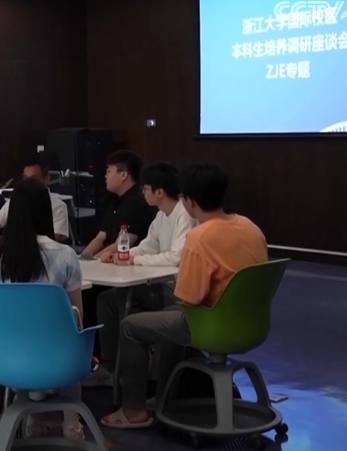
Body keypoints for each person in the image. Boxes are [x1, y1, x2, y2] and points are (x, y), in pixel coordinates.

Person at [100, 163, 268, 429]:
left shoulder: (199, 237)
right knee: (165, 316)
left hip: (210, 323)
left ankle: (133, 410)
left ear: (189, 201)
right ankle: (165, 396)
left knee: (131, 325)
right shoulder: (251, 227)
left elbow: (188, 298)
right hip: (251, 323)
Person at [0, 177, 86, 440]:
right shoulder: (65, 255)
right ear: (45, 211)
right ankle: (71, 424)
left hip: (5, 357)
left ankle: (31, 423)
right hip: (58, 358)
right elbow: (77, 317)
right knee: (71, 339)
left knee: (21, 335)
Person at [84, 162, 196, 388]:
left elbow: (176, 257)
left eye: (145, 189)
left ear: (159, 192)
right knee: (107, 300)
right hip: (161, 284)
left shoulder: (184, 214)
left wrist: (134, 260)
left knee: (123, 300)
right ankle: (110, 366)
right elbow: (147, 247)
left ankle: (133, 372)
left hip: (175, 289)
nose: (142, 193)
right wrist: (123, 255)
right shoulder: (161, 215)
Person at [0, 156, 69, 242]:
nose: (28, 182)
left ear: (47, 178)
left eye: (34, 178)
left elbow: (57, 237)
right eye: (25, 178)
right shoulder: (16, 200)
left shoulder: (58, 206)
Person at [81, 151, 156, 259]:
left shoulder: (137, 202)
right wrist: (83, 258)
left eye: (109, 171)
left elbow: (121, 245)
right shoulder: (116, 201)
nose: (105, 176)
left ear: (123, 175)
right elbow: (100, 238)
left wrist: (94, 261)